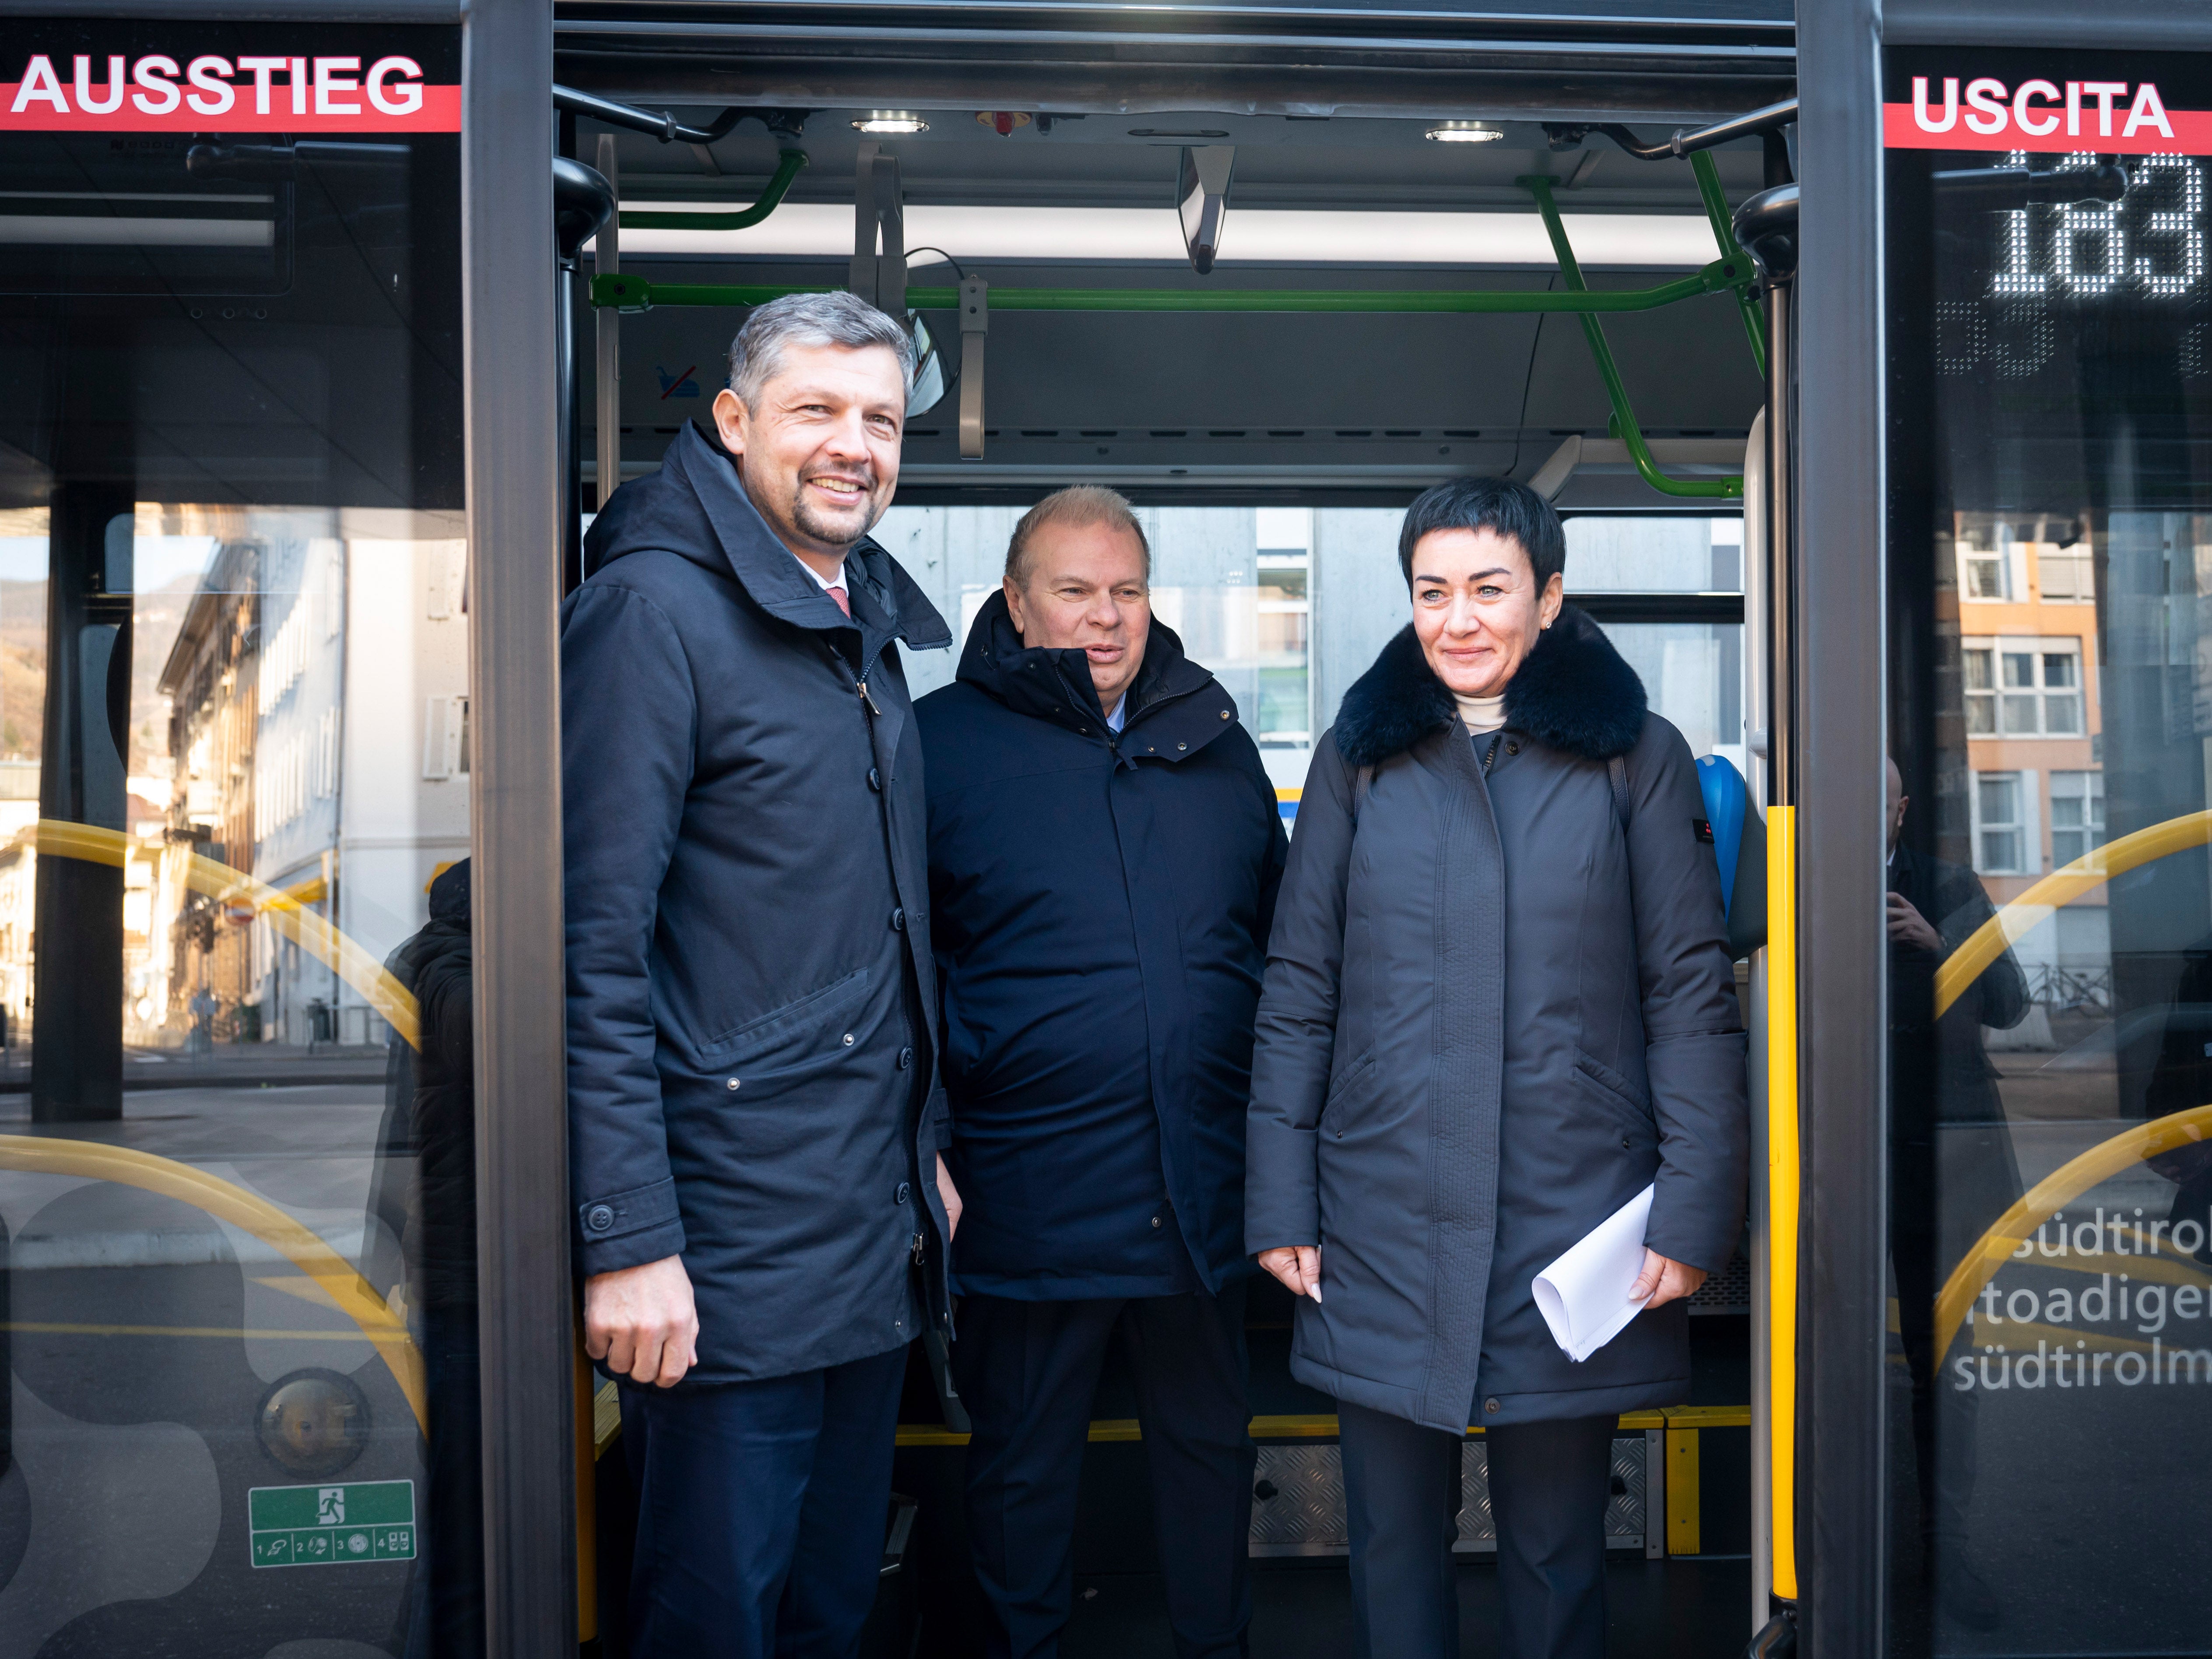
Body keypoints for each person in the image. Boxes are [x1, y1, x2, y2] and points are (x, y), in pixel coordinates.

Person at [1244, 478, 1748, 1659]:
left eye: (1487, 588)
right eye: (1431, 591)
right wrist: (1277, 1195)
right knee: (1391, 1541)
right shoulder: (1355, 760)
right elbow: (1298, 987)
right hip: (1378, 1206)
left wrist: (1692, 1205)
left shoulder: (1634, 756)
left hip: (1568, 1214)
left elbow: (1684, 991)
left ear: (1549, 595)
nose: (1456, 619)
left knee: (1554, 1546)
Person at [562, 291, 961, 1659]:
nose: (853, 445)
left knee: (827, 1605)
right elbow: (587, 946)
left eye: (879, 419)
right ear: (733, 423)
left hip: (861, 1237)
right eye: (816, 411)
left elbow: (882, 927)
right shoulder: (650, 615)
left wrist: (930, 1156)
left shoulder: (853, 624)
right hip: (721, 1258)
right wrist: (627, 1239)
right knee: (714, 1616)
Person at [916, 486, 1287, 1659]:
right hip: (1022, 1184)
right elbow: (897, 967)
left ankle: (1212, 1644)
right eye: (1073, 591)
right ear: (1018, 604)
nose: (1104, 617)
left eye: (1124, 590)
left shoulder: (1216, 746)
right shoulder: (935, 746)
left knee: (1209, 1446)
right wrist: (921, 1140)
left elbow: (1275, 951)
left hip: (1196, 1179)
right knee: (1023, 1458)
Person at [1884, 756, 2025, 1633]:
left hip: (1942, 1153)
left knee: (1943, 1358)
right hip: (1836, 1157)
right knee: (1829, 1357)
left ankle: (1944, 1543)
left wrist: (1946, 947)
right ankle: (1834, 1539)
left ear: (1899, 809)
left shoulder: (1945, 883)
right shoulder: (1800, 878)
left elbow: (2011, 1003)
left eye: (1877, 796)